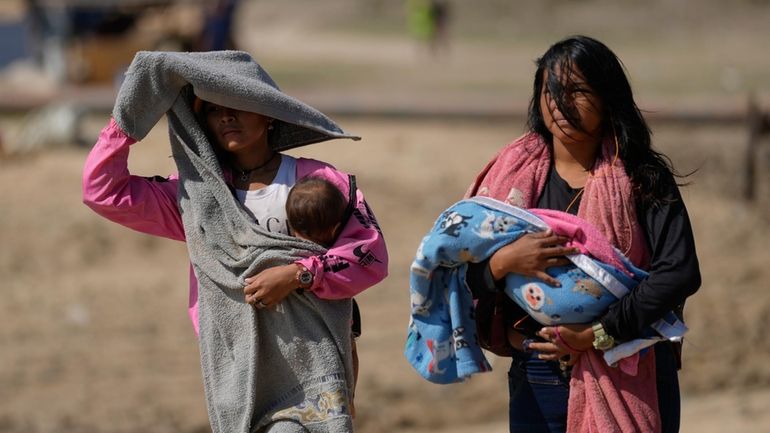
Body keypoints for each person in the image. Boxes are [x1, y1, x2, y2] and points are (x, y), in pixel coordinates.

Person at [82, 50, 388, 432]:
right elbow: (102, 191)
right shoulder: (196, 200)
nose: (225, 116)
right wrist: (127, 121)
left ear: (267, 113)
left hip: (313, 357)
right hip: (236, 362)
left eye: (237, 104)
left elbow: (369, 254)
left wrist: (298, 274)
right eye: (212, 110)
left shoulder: (319, 182)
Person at [464, 35, 700, 432]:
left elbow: (679, 272)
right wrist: (503, 263)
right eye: (549, 90)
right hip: (536, 375)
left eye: (577, 90)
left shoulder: (641, 177)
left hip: (627, 365)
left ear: (607, 97)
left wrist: (596, 334)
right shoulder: (512, 181)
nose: (560, 102)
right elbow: (463, 269)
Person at [285, 175, 364, 417]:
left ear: (290, 225)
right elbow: (348, 351)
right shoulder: (333, 264)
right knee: (348, 347)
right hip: (341, 320)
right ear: (336, 228)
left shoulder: (284, 263)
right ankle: (347, 396)